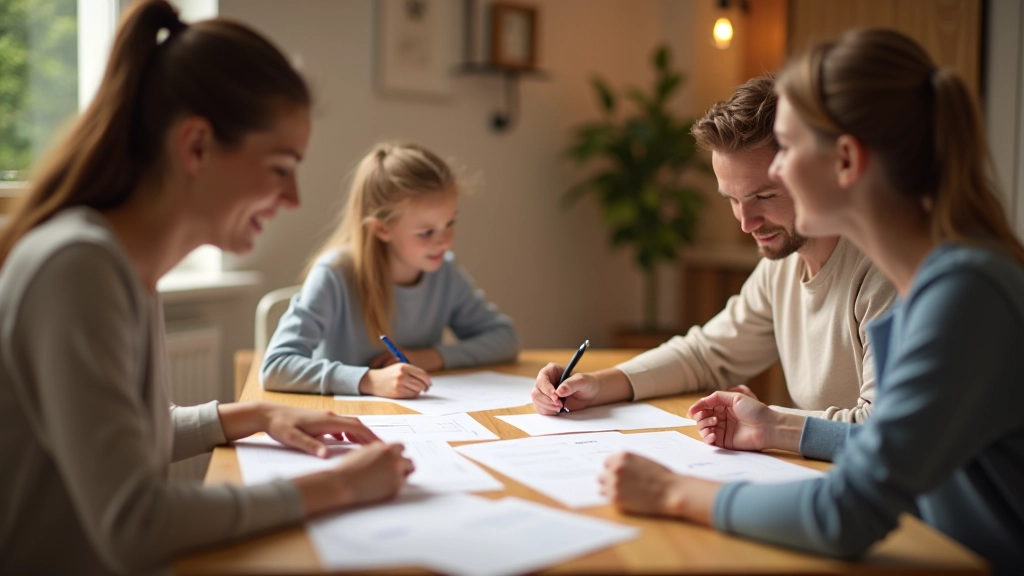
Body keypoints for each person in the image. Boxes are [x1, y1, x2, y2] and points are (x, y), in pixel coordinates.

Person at [0, 2, 414, 574]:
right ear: (195, 146)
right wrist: (337, 487)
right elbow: (135, 522)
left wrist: (257, 414)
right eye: (279, 166)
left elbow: (129, 437)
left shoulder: (126, 267)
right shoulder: (77, 269)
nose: (293, 198)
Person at [598, 28, 1024, 575]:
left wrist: (672, 491)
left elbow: (845, 512)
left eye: (789, 149)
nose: (776, 170)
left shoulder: (963, 296)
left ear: (845, 161)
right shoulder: (938, 283)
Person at [532, 75, 895, 423]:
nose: (746, 223)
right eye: (732, 200)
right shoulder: (781, 266)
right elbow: (706, 354)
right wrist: (597, 385)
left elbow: (883, 427)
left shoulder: (886, 272)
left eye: (764, 197)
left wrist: (767, 421)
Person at [260, 143, 519, 398]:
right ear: (382, 229)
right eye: (426, 232)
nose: (445, 241)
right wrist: (369, 380)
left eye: (450, 223)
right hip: (343, 422)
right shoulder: (334, 275)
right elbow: (276, 367)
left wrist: (431, 357)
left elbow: (505, 339)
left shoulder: (444, 271)